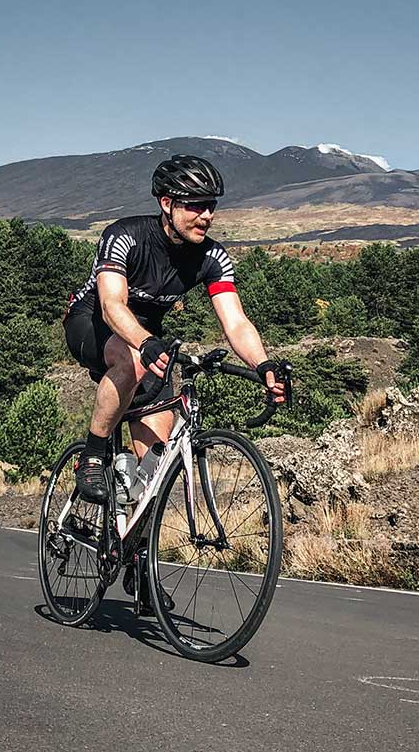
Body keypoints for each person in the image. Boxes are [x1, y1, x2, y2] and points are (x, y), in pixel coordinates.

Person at [63, 154, 288, 511]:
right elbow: (112, 305)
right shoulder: (124, 236)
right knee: (134, 359)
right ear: (166, 203)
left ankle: (135, 548)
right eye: (195, 206)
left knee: (153, 471)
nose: (207, 216)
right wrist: (145, 342)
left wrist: (263, 365)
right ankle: (91, 455)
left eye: (210, 206)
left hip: (147, 338)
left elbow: (235, 321)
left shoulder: (212, 257)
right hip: (93, 322)